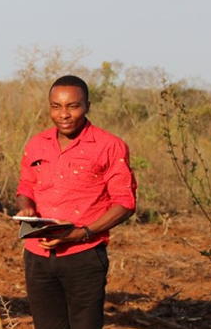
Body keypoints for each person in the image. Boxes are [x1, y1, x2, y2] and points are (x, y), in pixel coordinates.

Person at [15, 75, 137, 329]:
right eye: (56, 106)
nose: (64, 114)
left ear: (87, 106)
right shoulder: (37, 143)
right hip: (37, 255)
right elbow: (26, 185)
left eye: (73, 106)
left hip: (84, 256)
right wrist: (26, 207)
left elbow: (125, 202)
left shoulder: (109, 146)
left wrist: (81, 233)